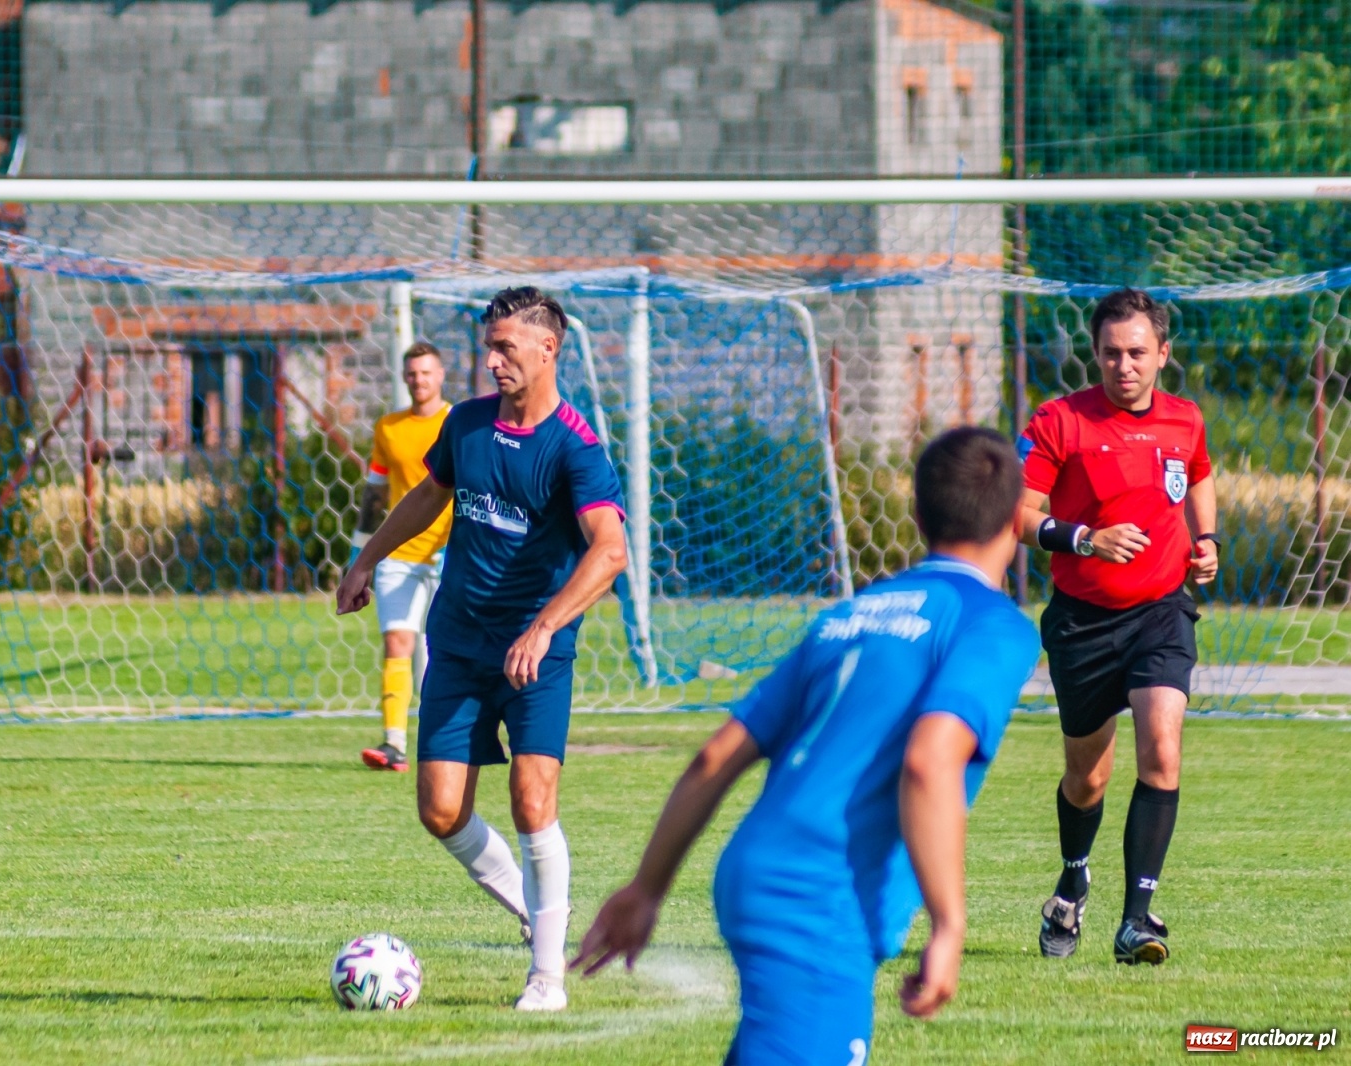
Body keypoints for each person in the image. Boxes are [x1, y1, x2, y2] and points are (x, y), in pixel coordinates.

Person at [574, 427, 1040, 1065]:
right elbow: (931, 762)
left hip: (755, 869)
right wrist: (949, 925)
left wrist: (647, 887)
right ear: (1019, 518)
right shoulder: (992, 624)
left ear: (919, 514)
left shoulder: (849, 614)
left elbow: (716, 756)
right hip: (819, 897)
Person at [336, 286, 629, 1012]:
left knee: (533, 801)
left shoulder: (576, 447)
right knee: (439, 810)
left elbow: (611, 552)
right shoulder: (465, 426)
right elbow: (427, 497)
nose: (491, 359)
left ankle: (547, 977)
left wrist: (544, 627)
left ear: (547, 349)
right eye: (488, 346)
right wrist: (367, 558)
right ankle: (540, 913)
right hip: (461, 645)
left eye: (505, 347)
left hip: (536, 653)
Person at [1018, 287, 1218, 966]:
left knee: (1162, 749)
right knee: (1089, 779)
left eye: (1136, 352)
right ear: (1095, 354)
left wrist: (1208, 537)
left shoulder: (1185, 420)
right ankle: (1073, 878)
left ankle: (1137, 920)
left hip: (1161, 612)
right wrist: (1084, 539)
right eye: (1110, 353)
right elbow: (1021, 515)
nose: (1123, 365)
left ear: (1163, 353)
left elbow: (1198, 476)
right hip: (1081, 624)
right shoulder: (1059, 420)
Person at [352, 342, 452, 772]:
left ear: (440, 375)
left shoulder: (457, 422)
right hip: (398, 555)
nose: (419, 380)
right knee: (398, 641)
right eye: (412, 373)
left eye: (426, 372)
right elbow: (374, 494)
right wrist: (359, 556)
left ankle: (440, 742)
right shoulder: (389, 428)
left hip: (449, 554)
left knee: (437, 651)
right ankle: (394, 743)